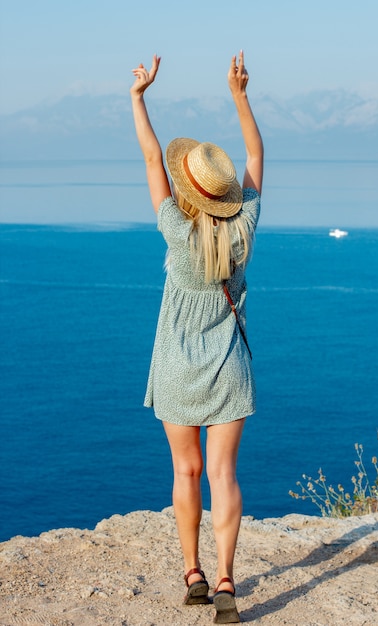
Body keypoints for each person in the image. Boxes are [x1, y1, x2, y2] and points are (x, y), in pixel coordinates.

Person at [130, 51, 263, 624]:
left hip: (177, 370)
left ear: (190, 194)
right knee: (223, 476)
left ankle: (193, 575)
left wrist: (139, 97)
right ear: (225, 194)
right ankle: (228, 579)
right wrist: (239, 95)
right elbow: (256, 155)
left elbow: (152, 158)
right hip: (228, 369)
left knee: (185, 474)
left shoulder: (174, 232)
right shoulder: (244, 231)